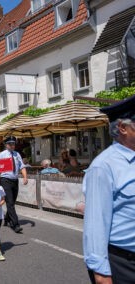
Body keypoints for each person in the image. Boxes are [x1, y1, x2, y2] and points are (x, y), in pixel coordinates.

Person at [83, 94, 135, 284]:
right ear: (123, 128)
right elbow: (96, 224)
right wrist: (101, 274)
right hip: (124, 264)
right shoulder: (103, 166)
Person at [0, 136, 28, 233]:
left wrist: (25, 177)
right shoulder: (2, 154)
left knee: (12, 202)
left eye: (13, 144)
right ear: (6, 145)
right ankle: (15, 224)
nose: (12, 146)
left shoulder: (17, 154)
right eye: (10, 144)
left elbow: (22, 166)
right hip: (5, 180)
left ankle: (7, 219)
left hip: (14, 180)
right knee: (10, 202)